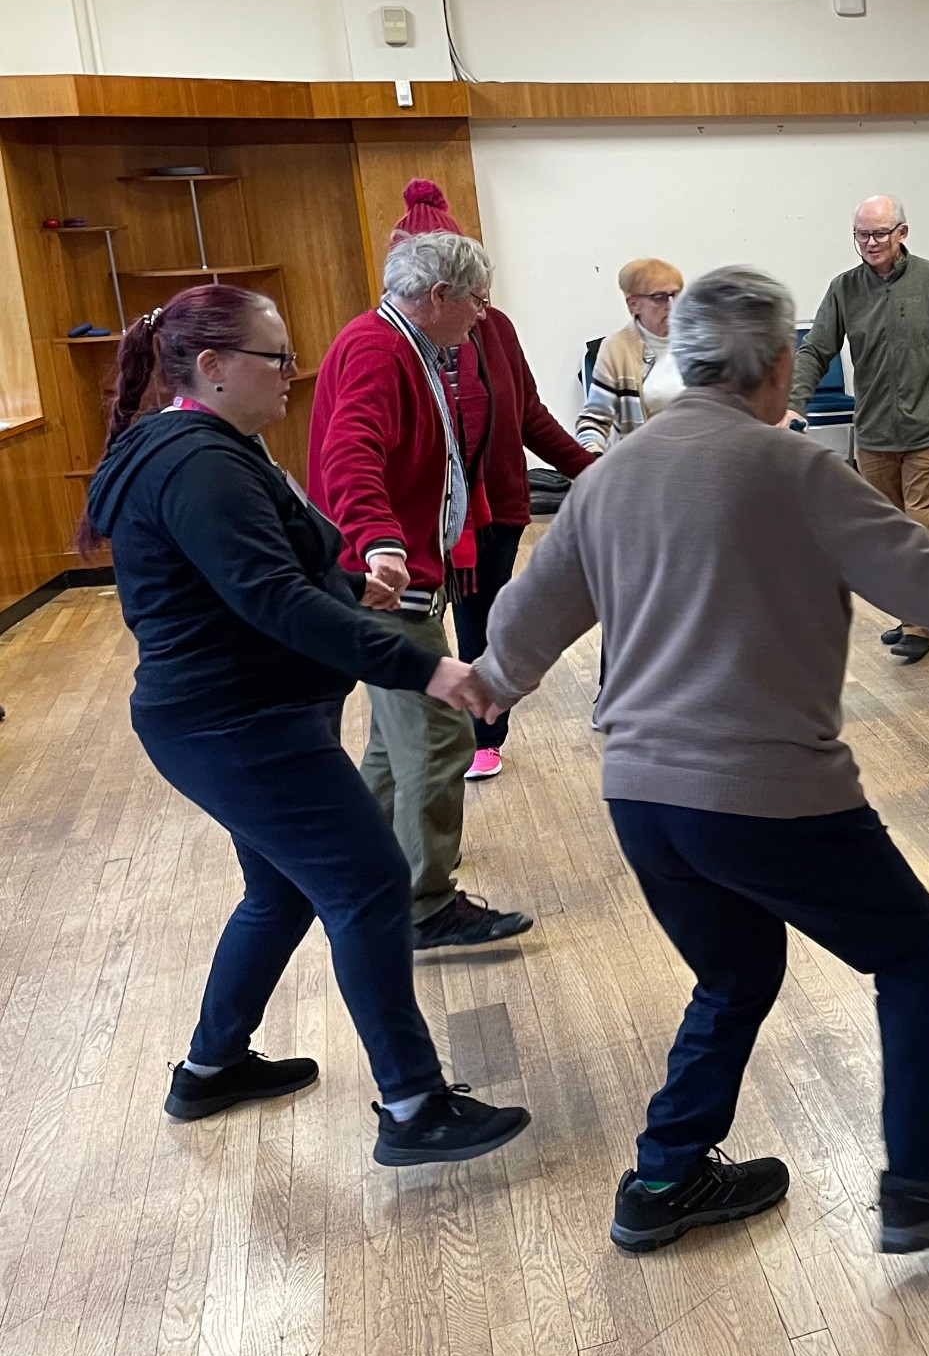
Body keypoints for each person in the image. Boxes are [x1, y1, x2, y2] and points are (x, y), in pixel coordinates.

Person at [471, 266, 929, 1254]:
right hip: (766, 789)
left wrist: (478, 696)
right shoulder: (796, 471)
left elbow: (518, 631)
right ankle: (918, 1178)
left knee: (736, 967)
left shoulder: (611, 479)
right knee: (911, 949)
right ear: (781, 367)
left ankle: (664, 1175)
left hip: (643, 798)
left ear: (682, 359)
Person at [81, 285, 529, 1166]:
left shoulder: (194, 445)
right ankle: (412, 1108)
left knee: (282, 889)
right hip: (239, 727)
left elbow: (250, 578)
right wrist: (428, 667)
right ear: (212, 368)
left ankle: (210, 1068)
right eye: (275, 357)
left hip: (228, 721)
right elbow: (268, 600)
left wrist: (345, 588)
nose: (293, 373)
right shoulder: (198, 464)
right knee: (367, 885)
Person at [310, 230, 533, 948]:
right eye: (475, 302)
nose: (481, 316)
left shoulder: (407, 343)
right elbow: (351, 449)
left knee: (391, 744)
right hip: (384, 585)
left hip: (396, 578)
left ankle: (366, 878)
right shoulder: (379, 349)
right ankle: (423, 908)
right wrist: (379, 539)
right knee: (439, 737)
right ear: (439, 295)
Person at [382, 180, 596, 784]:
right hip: (418, 521)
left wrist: (591, 470)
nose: (479, 305)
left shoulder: (494, 328)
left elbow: (527, 413)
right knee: (419, 635)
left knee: (483, 623)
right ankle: (418, 750)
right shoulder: (387, 343)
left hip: (494, 510)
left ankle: (484, 735)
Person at [786, 196, 929, 664]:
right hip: (875, 433)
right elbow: (815, 351)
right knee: (889, 536)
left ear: (902, 233)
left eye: (879, 233)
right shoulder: (844, 289)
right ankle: (917, 610)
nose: (870, 243)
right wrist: (793, 405)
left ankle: (918, 622)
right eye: (861, 235)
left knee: (922, 529)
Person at [578, 257, 686, 452]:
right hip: (644, 464)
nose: (671, 305)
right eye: (659, 297)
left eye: (676, 295)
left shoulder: (700, 340)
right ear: (633, 304)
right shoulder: (617, 349)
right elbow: (594, 419)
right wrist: (592, 458)